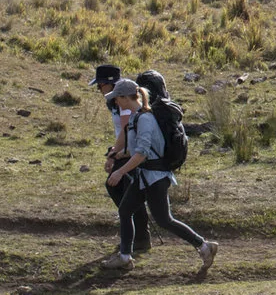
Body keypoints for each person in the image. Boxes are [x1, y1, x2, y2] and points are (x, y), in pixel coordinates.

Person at [103, 76, 217, 277]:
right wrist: (119, 154)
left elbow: (143, 153)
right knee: (125, 210)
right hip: (145, 176)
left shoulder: (145, 119)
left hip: (155, 178)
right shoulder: (138, 117)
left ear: (124, 97)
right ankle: (124, 257)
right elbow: (139, 150)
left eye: (117, 98)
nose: (115, 102)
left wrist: (121, 171)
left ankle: (204, 246)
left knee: (164, 220)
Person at [88, 63, 151, 257]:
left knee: (125, 193)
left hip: (131, 154)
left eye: (100, 86)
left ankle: (139, 237)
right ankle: (138, 236)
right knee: (124, 192)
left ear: (110, 84)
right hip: (127, 152)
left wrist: (115, 154)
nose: (100, 90)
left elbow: (125, 132)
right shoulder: (117, 104)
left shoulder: (122, 105)